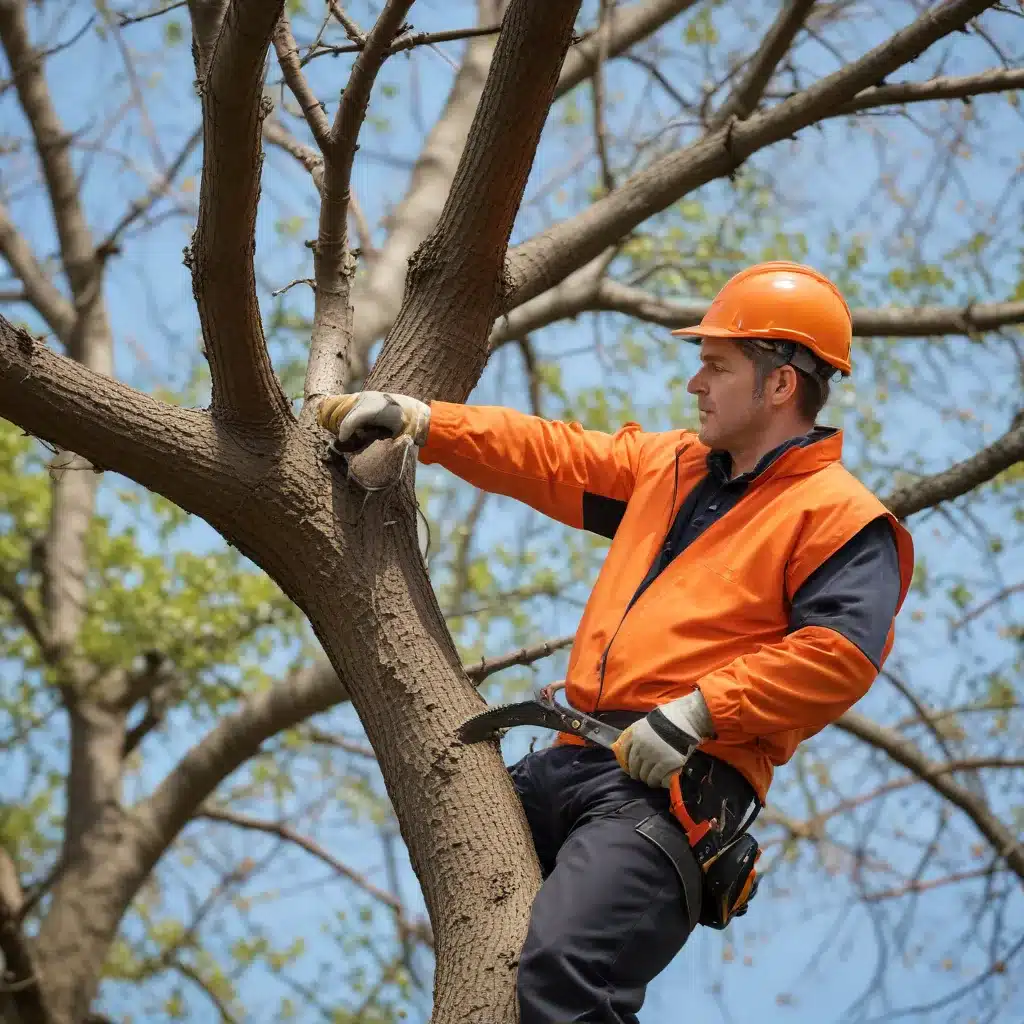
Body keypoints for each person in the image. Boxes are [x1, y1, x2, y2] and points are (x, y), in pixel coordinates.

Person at [317, 261, 916, 1023]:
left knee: (567, 973)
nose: (695, 384)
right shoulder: (667, 467)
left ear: (780, 385)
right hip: (566, 765)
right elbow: (551, 454)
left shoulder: (838, 516)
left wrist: (699, 711)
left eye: (715, 366)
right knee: (479, 941)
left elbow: (839, 655)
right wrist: (426, 421)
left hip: (668, 795)